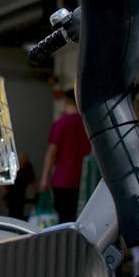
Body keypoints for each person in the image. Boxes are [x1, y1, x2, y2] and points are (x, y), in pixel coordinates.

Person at [39, 89, 91, 223]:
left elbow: (52, 152)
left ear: (66, 103)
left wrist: (45, 177)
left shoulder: (61, 124)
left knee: (62, 219)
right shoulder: (87, 125)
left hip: (62, 179)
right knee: (77, 218)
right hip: (81, 180)